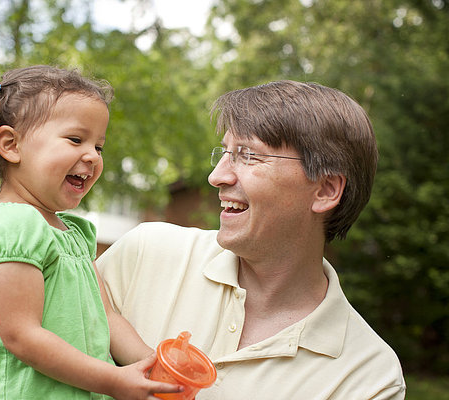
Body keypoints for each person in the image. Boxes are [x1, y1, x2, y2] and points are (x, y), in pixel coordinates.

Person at [97, 80, 406, 399]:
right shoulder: (145, 253)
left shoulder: (368, 378)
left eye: (248, 156)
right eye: (225, 152)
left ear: (326, 190)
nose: (217, 176)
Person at [0, 65, 182, 400]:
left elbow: (108, 317)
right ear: (11, 145)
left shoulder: (74, 234)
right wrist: (113, 380)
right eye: (76, 139)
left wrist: (149, 364)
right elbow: (22, 335)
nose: (92, 156)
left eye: (99, 146)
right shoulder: (14, 224)